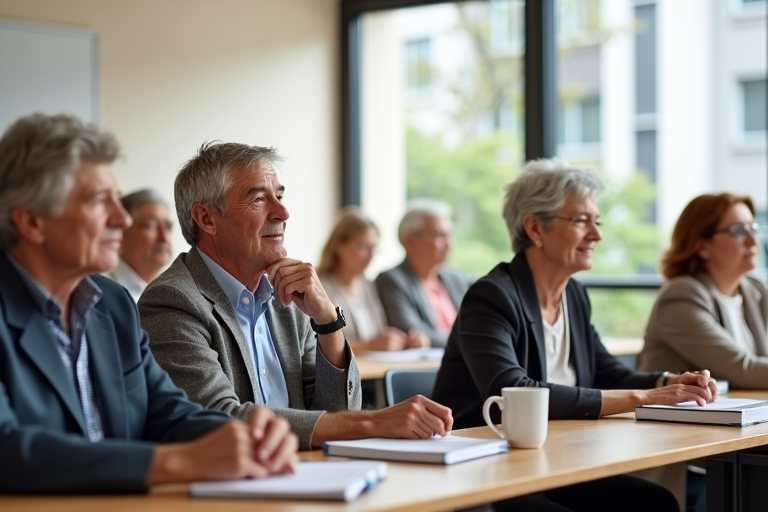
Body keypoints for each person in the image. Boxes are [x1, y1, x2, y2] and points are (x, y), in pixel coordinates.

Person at [0, 114, 297, 494]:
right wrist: (174, 461)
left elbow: (167, 414)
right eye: (98, 201)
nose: (122, 218)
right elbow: (8, 451)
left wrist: (250, 436)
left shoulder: (112, 305)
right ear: (33, 223)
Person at [431, 158, 718, 512]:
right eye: (581, 221)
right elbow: (513, 391)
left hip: (559, 460)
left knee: (654, 502)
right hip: (490, 471)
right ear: (535, 228)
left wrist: (670, 383)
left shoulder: (574, 295)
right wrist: (643, 396)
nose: (596, 234)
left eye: (596, 221)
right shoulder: (491, 296)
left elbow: (607, 372)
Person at [139, 142, 453, 450]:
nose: (283, 212)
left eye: (280, 196)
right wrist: (374, 422)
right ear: (207, 219)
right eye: (259, 199)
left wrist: (328, 321)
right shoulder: (171, 300)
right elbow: (217, 419)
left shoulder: (287, 296)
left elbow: (335, 413)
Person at [640, 193, 768, 388]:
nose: (752, 240)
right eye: (739, 231)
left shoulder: (755, 290)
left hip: (738, 411)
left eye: (754, 228)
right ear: (701, 246)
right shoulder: (681, 295)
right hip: (671, 416)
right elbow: (742, 370)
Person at [317, 208, 428, 352]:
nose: (371, 256)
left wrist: (407, 341)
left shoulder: (368, 286)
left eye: (374, 248)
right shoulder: (319, 286)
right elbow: (315, 346)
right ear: (339, 245)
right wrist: (369, 346)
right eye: (363, 247)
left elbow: (379, 335)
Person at [375, 199, 473, 347]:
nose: (449, 243)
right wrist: (472, 338)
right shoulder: (392, 280)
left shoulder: (457, 279)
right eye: (439, 235)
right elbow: (412, 333)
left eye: (449, 235)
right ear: (409, 240)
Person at [106, 188, 173, 302]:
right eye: (150, 225)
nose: (164, 237)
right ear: (120, 231)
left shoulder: (178, 292)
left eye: (168, 226)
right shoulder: (97, 291)